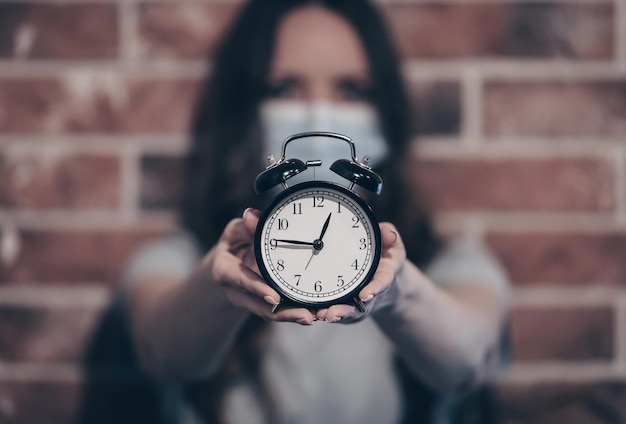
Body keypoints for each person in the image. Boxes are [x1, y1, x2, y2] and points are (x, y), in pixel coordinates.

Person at [117, 1, 511, 423]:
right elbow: (163, 353)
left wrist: (401, 293)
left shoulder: (447, 263)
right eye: (284, 88)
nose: (318, 114)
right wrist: (221, 283)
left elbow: (471, 360)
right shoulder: (184, 257)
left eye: (352, 89)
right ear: (243, 107)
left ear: (384, 111)